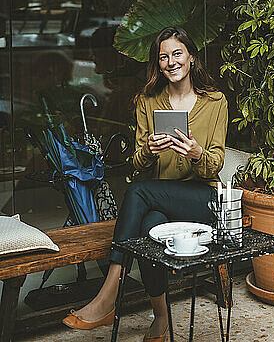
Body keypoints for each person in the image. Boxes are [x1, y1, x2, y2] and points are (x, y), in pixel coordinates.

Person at [62, 26, 228, 342]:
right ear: (158, 64)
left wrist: (196, 152)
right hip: (157, 197)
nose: (171, 62)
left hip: (202, 196)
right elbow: (136, 165)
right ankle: (162, 319)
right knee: (148, 224)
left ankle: (110, 292)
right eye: (163, 57)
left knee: (138, 192)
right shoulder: (148, 101)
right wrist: (149, 152)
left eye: (177, 53)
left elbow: (216, 163)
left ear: (191, 57)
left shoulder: (215, 101)